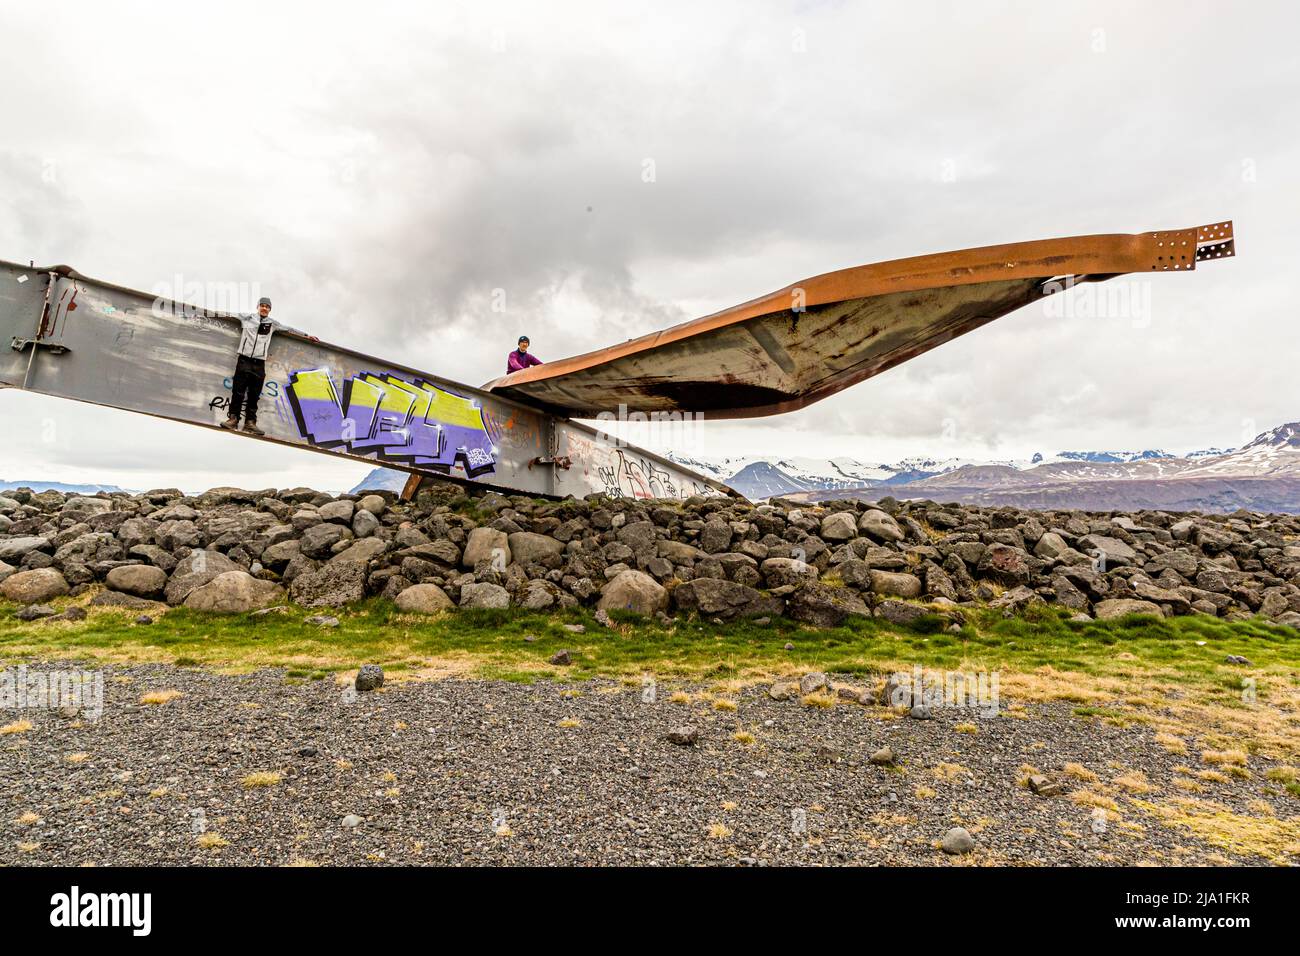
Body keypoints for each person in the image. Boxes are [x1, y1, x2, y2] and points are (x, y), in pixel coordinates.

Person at [220, 296, 315, 436]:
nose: (264, 308)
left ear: (270, 310)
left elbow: (290, 329)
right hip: (244, 360)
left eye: (267, 307)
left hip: (259, 364)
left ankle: (250, 423)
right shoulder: (246, 318)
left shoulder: (273, 324)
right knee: (238, 391)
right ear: (258, 307)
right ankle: (233, 419)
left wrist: (307, 335)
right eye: (262, 305)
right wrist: (203, 313)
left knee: (254, 394)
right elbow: (226, 313)